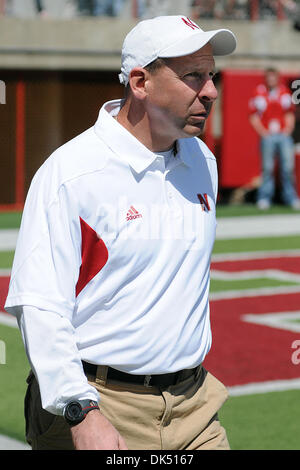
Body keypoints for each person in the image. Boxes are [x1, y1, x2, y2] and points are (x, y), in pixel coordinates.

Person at [5, 15, 236, 450]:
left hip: (195, 405)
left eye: (211, 75)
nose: (210, 91)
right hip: (99, 404)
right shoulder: (72, 173)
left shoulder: (203, 161)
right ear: (139, 81)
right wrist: (80, 410)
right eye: (193, 76)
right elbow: (40, 305)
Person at [249, 67, 300, 210]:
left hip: (283, 135)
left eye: (273, 77)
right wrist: (263, 132)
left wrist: (288, 130)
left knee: (288, 167)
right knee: (267, 168)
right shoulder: (259, 92)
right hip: (268, 135)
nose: (271, 80)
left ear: (277, 78)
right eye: (269, 77)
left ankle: (291, 197)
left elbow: (289, 113)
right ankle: (265, 197)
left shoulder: (284, 92)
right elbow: (253, 115)